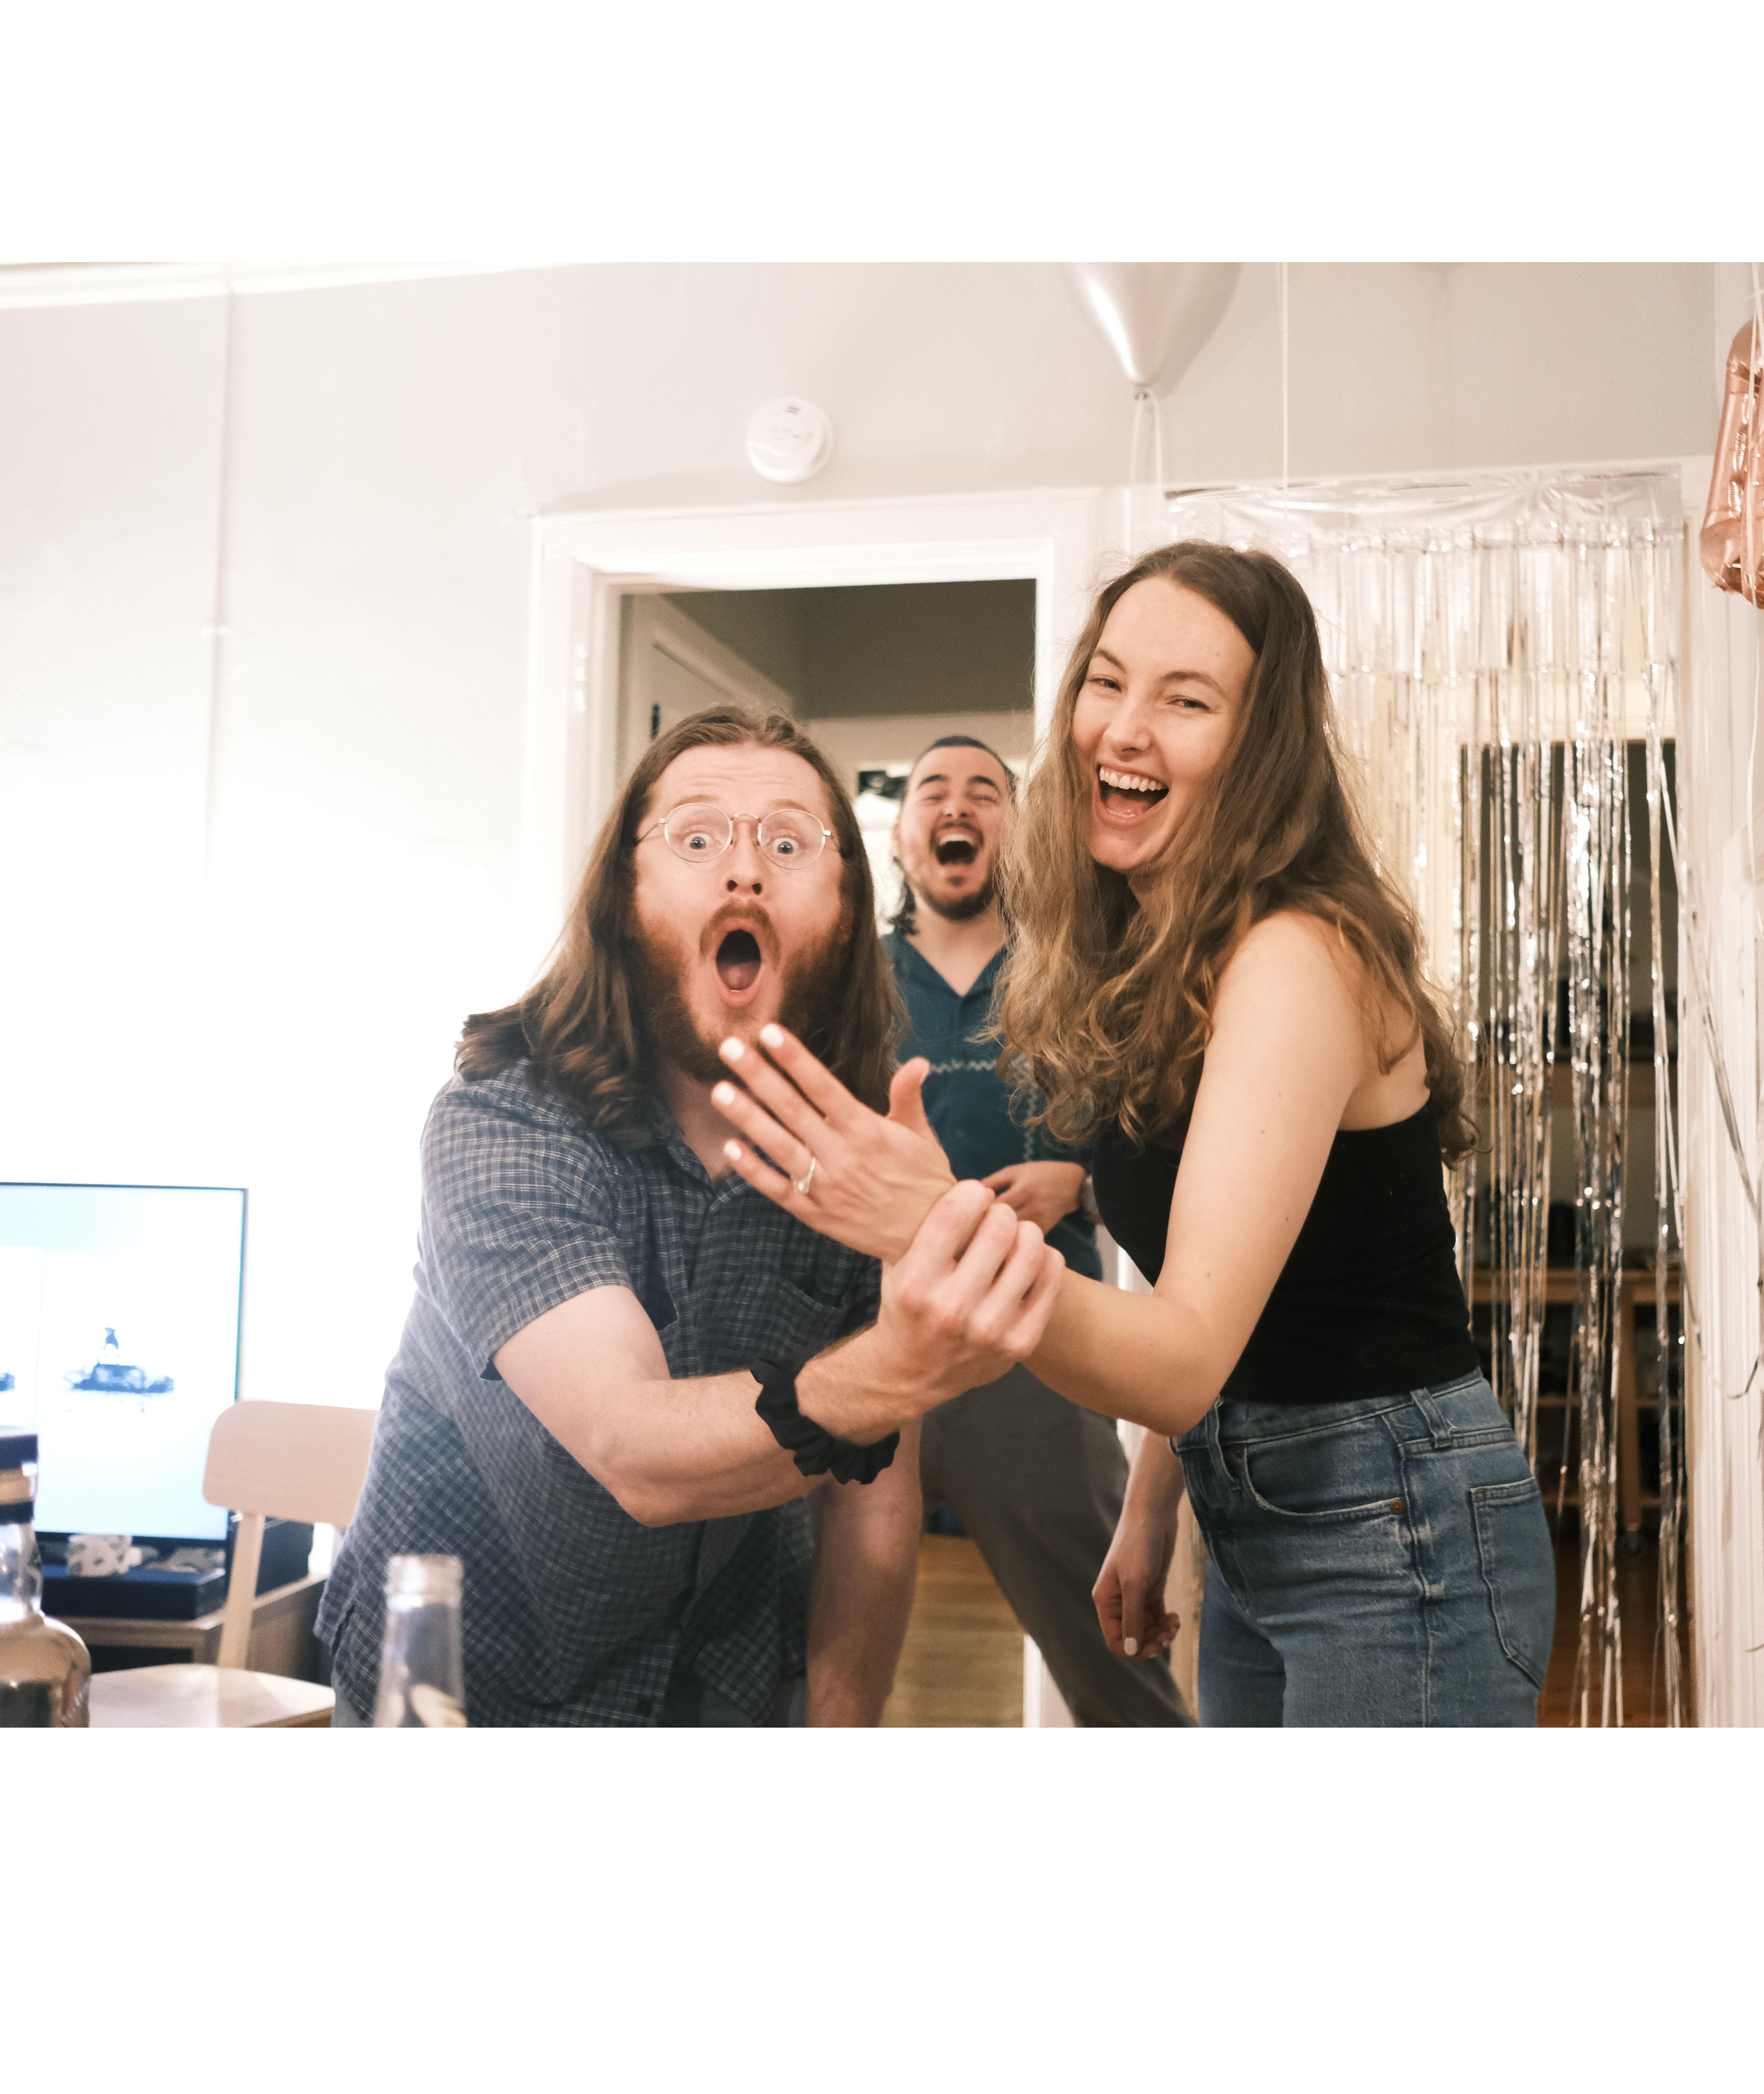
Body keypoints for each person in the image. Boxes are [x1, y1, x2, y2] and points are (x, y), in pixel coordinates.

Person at [710, 544, 1556, 1727]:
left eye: (1187, 700)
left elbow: (1188, 1350)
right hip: (1262, 1506)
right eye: (1107, 682)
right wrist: (1155, 1504)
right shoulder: (1159, 959)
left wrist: (930, 1219)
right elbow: (1213, 1283)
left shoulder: (1296, 957)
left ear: (1263, 748)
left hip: (1393, 1523)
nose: (1124, 729)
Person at [317, 705, 1063, 1726]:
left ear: (849, 911)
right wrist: (901, 1364)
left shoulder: (862, 1154)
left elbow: (871, 1503)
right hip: (470, 1690)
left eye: (790, 845)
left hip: (726, 1692)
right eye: (698, 838)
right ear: (624, 900)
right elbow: (631, 1447)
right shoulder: (500, 1122)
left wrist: (840, 1739)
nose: (745, 872)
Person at [883, 733, 1189, 1727]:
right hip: (870, 1345)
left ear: (1015, 834)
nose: (958, 805)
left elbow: (1169, 1150)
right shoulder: (848, 979)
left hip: (1040, 1348)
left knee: (1116, 1671)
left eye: (985, 791)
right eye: (934, 791)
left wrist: (1083, 1183)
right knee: (809, 1663)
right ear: (901, 836)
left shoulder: (1078, 974)